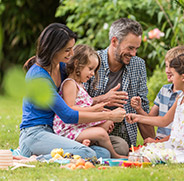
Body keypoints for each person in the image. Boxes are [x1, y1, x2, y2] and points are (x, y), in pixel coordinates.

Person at [20, 23, 126, 160]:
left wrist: (102, 99)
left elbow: (73, 101)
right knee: (88, 153)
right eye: (67, 50)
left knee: (103, 154)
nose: (71, 54)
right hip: (34, 134)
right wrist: (109, 115)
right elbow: (67, 114)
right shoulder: (38, 77)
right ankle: (34, 158)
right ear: (53, 49)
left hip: (54, 132)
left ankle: (48, 154)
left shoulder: (61, 68)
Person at [126, 53, 184, 166]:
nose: (171, 79)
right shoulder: (181, 97)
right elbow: (164, 121)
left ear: (183, 77)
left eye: (173, 75)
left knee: (146, 157)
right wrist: (137, 118)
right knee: (141, 152)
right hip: (175, 146)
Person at [85, 18, 154, 156]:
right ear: (114, 41)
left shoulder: (138, 65)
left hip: (121, 138)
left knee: (122, 147)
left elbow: (144, 113)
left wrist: (151, 141)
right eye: (130, 48)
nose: (134, 53)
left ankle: (92, 152)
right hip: (89, 130)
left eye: (136, 48)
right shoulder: (91, 61)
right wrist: (104, 99)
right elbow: (74, 105)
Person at [53, 44, 127, 158]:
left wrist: (101, 109)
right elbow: (70, 108)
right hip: (69, 129)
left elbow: (83, 105)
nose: (92, 73)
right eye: (90, 69)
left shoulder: (80, 85)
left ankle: (87, 142)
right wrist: (93, 109)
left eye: (94, 70)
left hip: (79, 126)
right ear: (77, 64)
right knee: (101, 133)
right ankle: (115, 155)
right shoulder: (69, 84)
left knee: (108, 122)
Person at [131, 46, 184, 145]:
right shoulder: (164, 90)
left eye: (171, 67)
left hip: (177, 142)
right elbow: (151, 120)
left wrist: (157, 143)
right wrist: (139, 109)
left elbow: (181, 133)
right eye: (166, 66)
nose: (167, 71)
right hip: (160, 141)